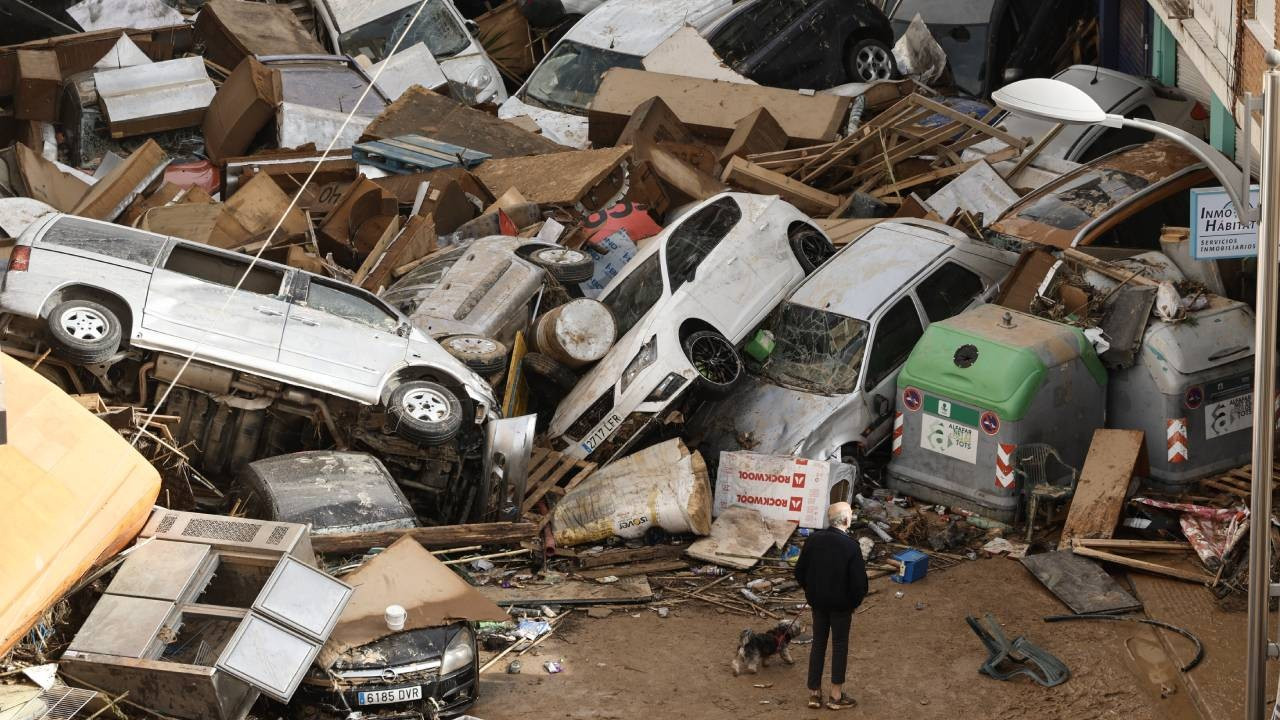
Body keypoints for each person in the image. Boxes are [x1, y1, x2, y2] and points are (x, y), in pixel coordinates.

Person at [793, 501, 868, 710]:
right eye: (850, 514)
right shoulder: (851, 546)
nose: (851, 517)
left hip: (818, 603)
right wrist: (853, 603)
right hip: (841, 606)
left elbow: (800, 572)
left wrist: (811, 591)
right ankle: (836, 696)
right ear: (845, 519)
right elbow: (859, 584)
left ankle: (814, 694)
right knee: (839, 644)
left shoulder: (813, 540)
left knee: (818, 642)